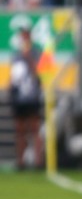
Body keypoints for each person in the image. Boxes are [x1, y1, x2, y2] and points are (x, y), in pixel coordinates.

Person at [10, 27, 44, 170]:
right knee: (20, 130)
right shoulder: (16, 55)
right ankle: (21, 161)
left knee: (35, 130)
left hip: (32, 96)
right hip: (19, 97)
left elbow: (39, 72)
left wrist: (28, 56)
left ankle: (37, 161)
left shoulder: (36, 53)